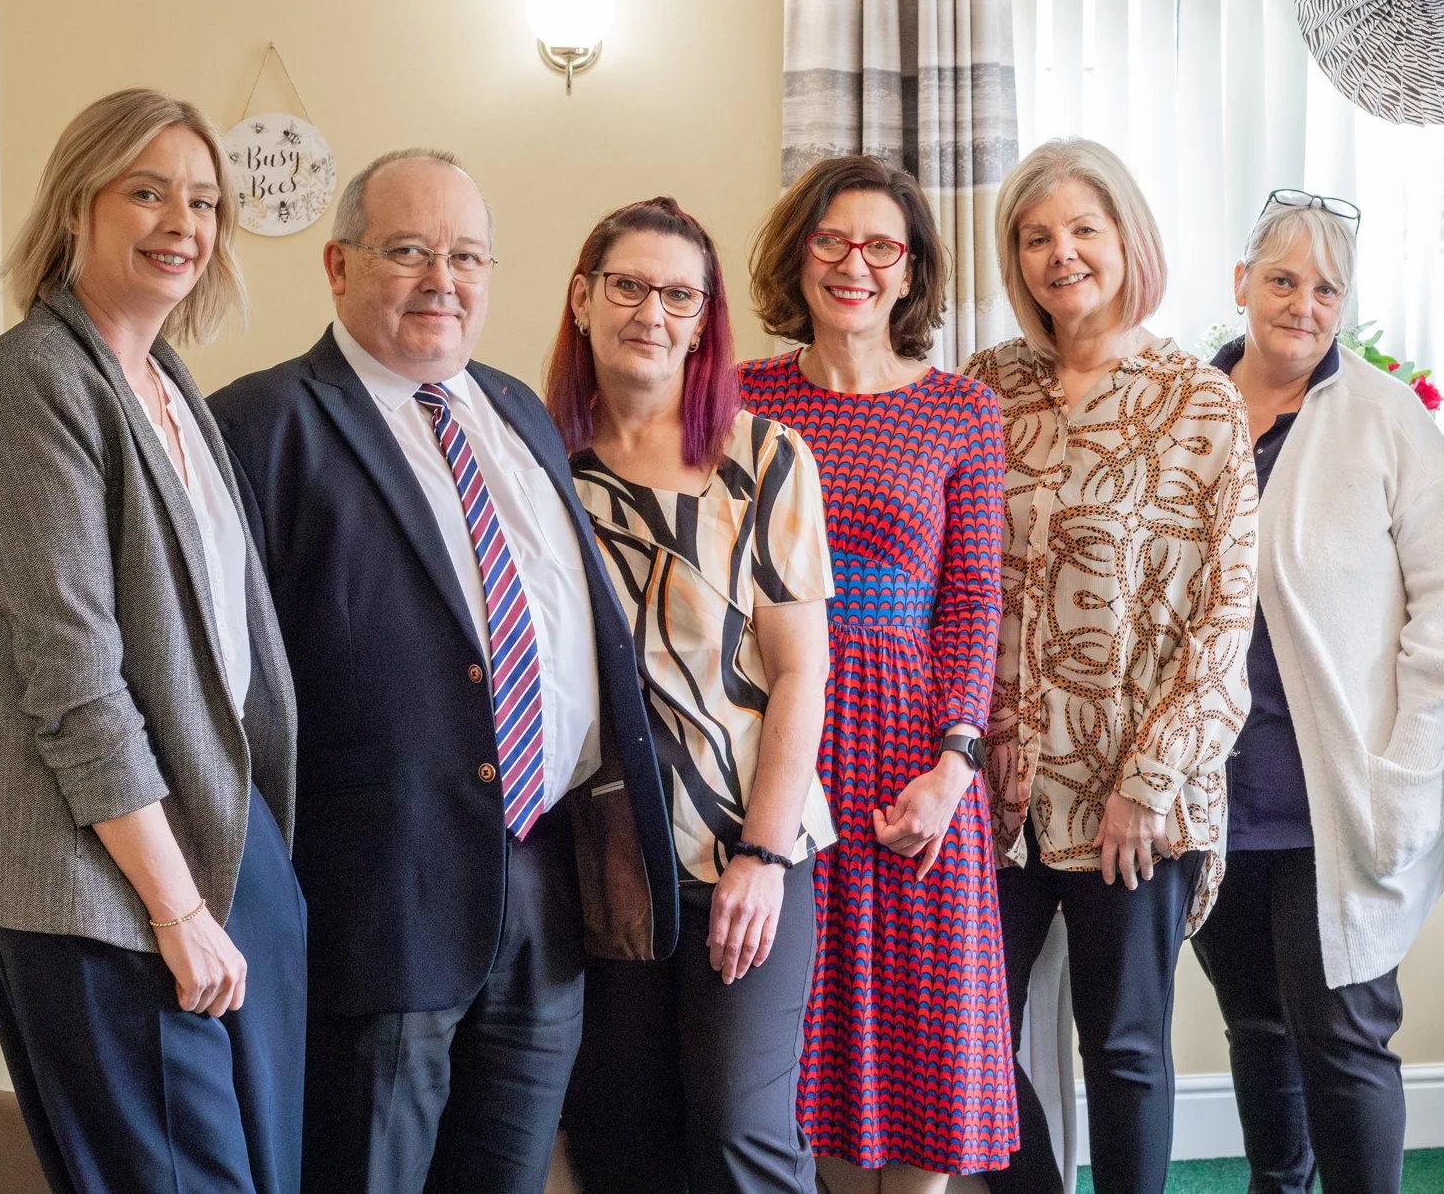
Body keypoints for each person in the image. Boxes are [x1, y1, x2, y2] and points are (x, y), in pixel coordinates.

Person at [208, 150, 678, 1194]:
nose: (441, 280)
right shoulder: (258, 426)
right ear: (337, 265)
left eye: (466, 256)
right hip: (378, 903)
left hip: (545, 882)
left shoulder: (513, 410)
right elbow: (224, 688)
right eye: (408, 252)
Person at [0, 88, 304, 1192]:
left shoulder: (168, 386)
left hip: (217, 834)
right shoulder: (32, 383)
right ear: (75, 209)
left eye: (202, 201)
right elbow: (74, 682)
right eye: (145, 191)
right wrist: (176, 907)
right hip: (103, 879)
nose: (180, 223)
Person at [964, 138, 1258, 1194]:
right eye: (1036, 237)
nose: (1061, 254)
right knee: (968, 1046)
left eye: (1082, 229)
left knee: (1124, 1052)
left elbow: (1225, 620)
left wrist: (1149, 779)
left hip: (1132, 791)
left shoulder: (1198, 401)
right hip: (994, 787)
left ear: (1126, 238)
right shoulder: (981, 390)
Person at [1197, 192, 1444, 1194]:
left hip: (1338, 794)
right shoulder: (1184, 412)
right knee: (1254, 1023)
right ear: (1240, 284)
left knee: (1342, 1036)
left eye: (1325, 287)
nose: (1302, 304)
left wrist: (1409, 751)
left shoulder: (1379, 418)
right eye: (1281, 280)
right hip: (1211, 802)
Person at [740, 156, 1017, 1192]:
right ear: (798, 255)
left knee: (927, 1043)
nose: (853, 264)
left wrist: (954, 766)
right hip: (777, 744)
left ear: (910, 272)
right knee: (784, 1036)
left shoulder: (961, 412)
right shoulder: (738, 400)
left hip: (911, 755)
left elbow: (973, 602)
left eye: (879, 246)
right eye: (830, 241)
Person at [548, 197, 834, 1194]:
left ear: (704, 318)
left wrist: (760, 854)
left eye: (679, 295)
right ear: (582, 297)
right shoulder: (542, 469)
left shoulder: (762, 460)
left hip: (742, 844)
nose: (651, 312)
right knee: (619, 1138)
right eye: (628, 286)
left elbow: (801, 670)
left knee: (737, 1130)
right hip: (600, 860)